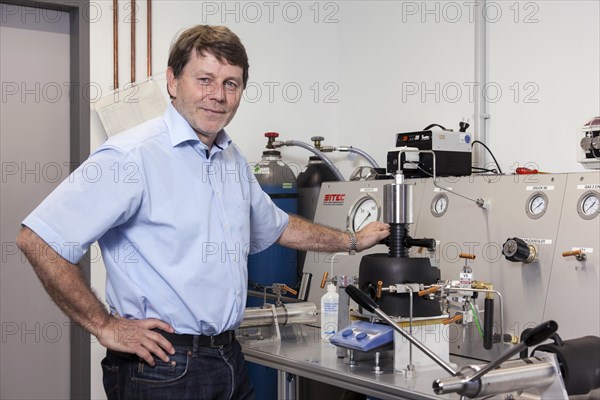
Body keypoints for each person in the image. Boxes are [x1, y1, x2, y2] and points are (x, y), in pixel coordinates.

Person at [16, 25, 389, 400]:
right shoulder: (132, 156)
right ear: (173, 81)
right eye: (205, 79)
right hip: (162, 368)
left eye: (231, 83)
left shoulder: (231, 159)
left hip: (227, 357)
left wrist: (354, 240)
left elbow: (278, 227)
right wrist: (104, 325)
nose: (218, 95)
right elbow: (39, 239)